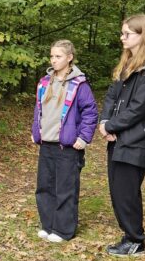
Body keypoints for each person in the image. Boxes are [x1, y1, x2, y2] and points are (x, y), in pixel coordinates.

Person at [98, 14, 145, 256]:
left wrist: (111, 126)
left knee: (126, 191)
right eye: (122, 33)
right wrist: (105, 122)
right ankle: (130, 236)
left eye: (127, 33)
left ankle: (135, 240)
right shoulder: (127, 64)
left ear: (142, 35)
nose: (122, 38)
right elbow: (112, 95)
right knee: (117, 189)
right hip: (118, 137)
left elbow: (139, 108)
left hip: (136, 139)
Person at [31, 40, 99, 243]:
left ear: (69, 58)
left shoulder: (79, 84)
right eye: (52, 56)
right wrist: (36, 132)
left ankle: (63, 230)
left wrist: (83, 138)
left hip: (68, 147)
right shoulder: (45, 82)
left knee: (65, 189)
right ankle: (48, 225)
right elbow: (39, 110)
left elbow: (90, 112)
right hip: (47, 144)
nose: (53, 60)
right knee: (45, 187)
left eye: (58, 56)